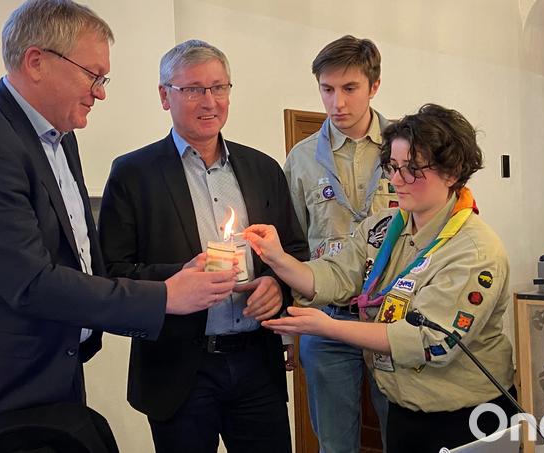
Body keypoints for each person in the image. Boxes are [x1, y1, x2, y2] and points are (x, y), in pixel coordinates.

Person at [0, 0, 237, 444]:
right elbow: (31, 282)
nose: (100, 92)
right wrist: (165, 296)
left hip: (57, 368)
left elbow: (78, 259)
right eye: (93, 75)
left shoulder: (60, 138)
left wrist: (179, 277)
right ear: (36, 62)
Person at [245, 104, 517, 452]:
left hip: (465, 415)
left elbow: (429, 341)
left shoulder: (474, 250)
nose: (397, 179)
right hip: (406, 410)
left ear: (452, 173)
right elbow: (337, 275)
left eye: (413, 169)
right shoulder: (385, 226)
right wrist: (278, 258)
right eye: (393, 167)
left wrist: (327, 327)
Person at [97, 39, 309, 453]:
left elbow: (296, 251)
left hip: (255, 363)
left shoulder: (263, 169)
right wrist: (180, 281)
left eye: (219, 87)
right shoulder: (133, 174)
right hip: (178, 368)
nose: (209, 101)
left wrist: (277, 287)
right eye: (193, 89)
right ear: (164, 96)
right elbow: (114, 272)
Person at [283, 35, 395, 452]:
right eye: (327, 90)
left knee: (402, 436)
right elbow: (293, 244)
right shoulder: (301, 157)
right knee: (333, 443)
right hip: (325, 317)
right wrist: (289, 331)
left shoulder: (405, 148)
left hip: (394, 317)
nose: (337, 103)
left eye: (350, 89)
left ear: (374, 86)